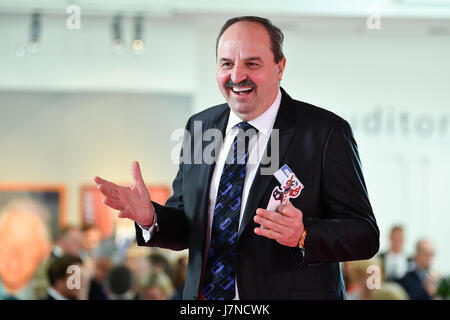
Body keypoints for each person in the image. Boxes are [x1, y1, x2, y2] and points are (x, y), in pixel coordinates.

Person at [94, 16, 379, 300]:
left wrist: (304, 234)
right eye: (226, 64)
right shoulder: (199, 127)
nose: (237, 76)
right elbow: (188, 226)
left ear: (280, 67)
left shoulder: (325, 133)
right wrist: (151, 218)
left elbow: (365, 234)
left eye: (252, 64)